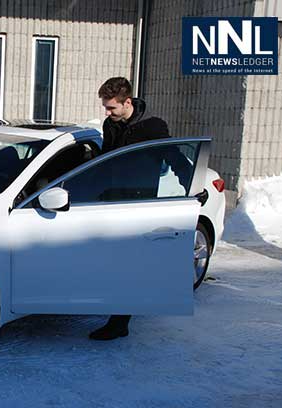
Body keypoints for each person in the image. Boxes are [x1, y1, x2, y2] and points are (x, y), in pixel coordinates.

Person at [88, 76, 173, 341]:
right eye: (105, 107)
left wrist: (192, 188)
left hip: (139, 204)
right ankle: (117, 312)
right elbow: (105, 160)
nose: (107, 112)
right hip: (114, 202)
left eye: (111, 107)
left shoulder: (153, 127)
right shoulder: (110, 125)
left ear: (127, 102)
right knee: (113, 262)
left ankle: (119, 322)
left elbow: (175, 158)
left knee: (128, 263)